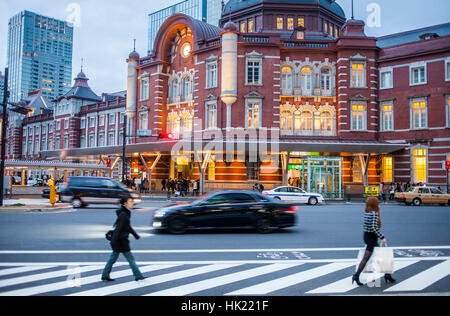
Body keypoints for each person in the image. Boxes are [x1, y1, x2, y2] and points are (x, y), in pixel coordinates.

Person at [352, 197, 396, 286]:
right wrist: (382, 237)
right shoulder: (374, 213)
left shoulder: (367, 212)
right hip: (371, 237)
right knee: (370, 257)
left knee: (380, 256)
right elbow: (373, 228)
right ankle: (356, 275)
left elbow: (368, 227)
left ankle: (387, 275)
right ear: (375, 204)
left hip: (367, 236)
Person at [101, 197, 145, 282]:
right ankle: (138, 276)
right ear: (125, 203)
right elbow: (118, 229)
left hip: (119, 240)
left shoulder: (126, 213)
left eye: (132, 201)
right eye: (130, 201)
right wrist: (113, 241)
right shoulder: (124, 215)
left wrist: (135, 235)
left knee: (113, 258)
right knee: (130, 258)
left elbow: (127, 226)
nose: (132, 203)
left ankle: (105, 274)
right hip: (121, 241)